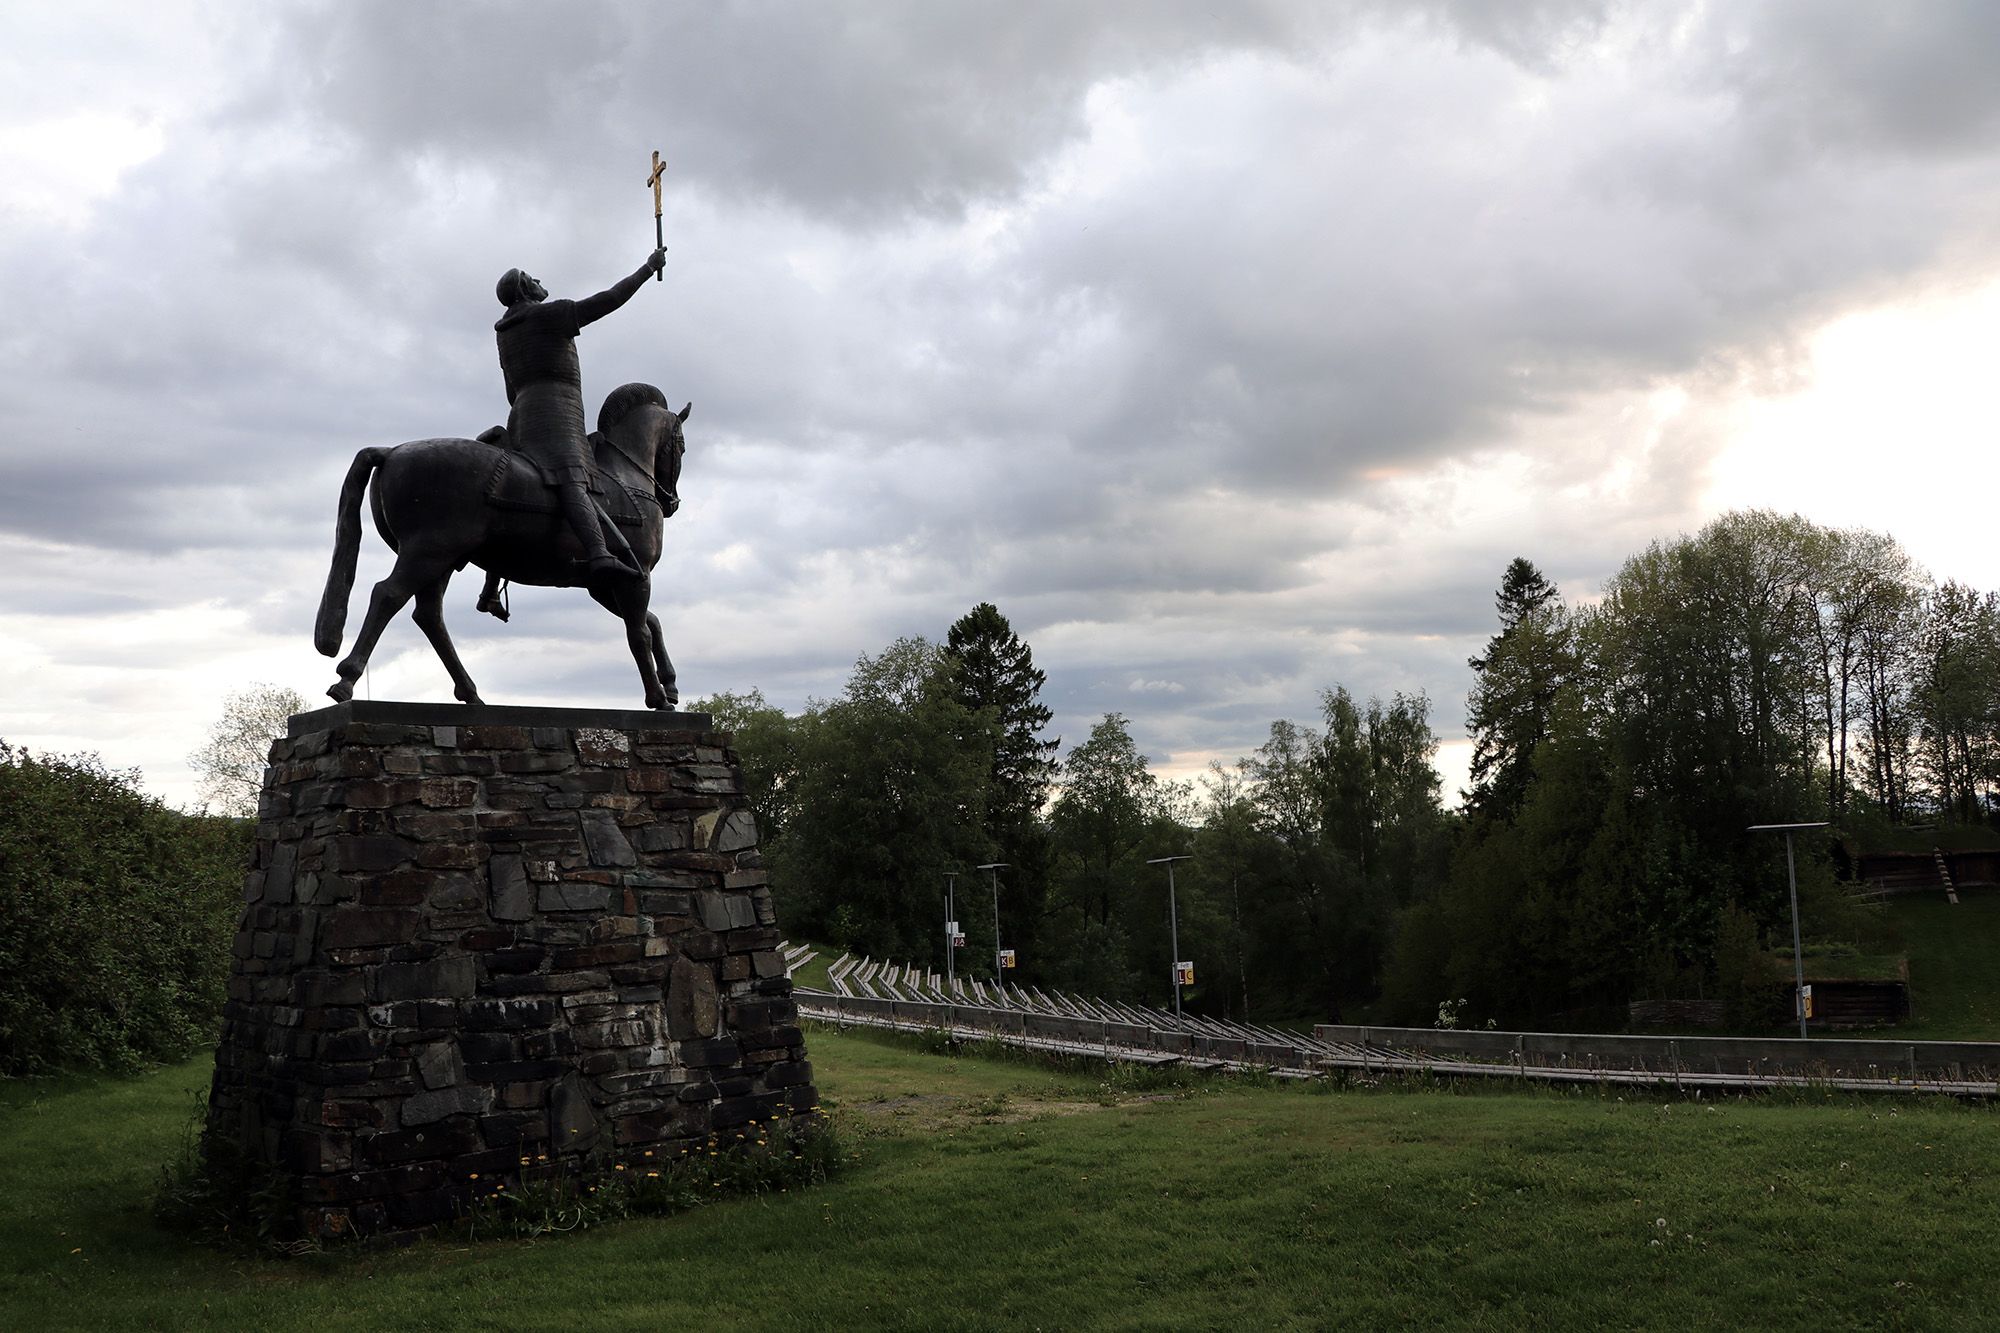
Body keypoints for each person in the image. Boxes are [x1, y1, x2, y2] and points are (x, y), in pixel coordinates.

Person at [487, 248, 666, 594]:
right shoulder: (548, 315)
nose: (540, 281)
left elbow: (511, 386)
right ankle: (599, 553)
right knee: (572, 477)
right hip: (556, 410)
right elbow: (610, 299)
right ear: (525, 290)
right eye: (533, 278)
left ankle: (490, 588)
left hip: (522, 414)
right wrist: (646, 268)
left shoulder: (505, 332)